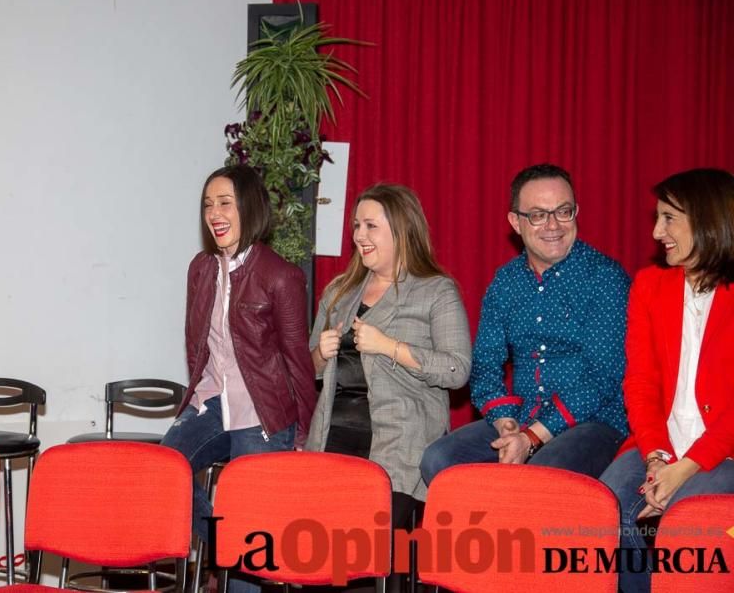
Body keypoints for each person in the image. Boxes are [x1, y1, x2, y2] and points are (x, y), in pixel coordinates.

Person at [420, 164, 630, 485]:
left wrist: (532, 437)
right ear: (515, 222)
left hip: (594, 420)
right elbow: (486, 364)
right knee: (440, 460)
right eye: (537, 215)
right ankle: (489, 533)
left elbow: (601, 379)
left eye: (563, 211)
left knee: (540, 476)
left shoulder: (605, 278)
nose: (553, 225)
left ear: (577, 212)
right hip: (524, 416)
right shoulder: (506, 281)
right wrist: (503, 420)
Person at [161, 164, 318, 546]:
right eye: (208, 205)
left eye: (225, 203)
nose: (214, 214)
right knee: (163, 471)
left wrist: (303, 434)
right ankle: (223, 547)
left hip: (262, 411)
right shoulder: (200, 269)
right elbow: (194, 344)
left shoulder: (281, 276)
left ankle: (238, 553)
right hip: (213, 402)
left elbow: (298, 361)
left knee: (248, 517)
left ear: (248, 207)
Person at [600, 168, 734, 593]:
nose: (657, 231)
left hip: (723, 451)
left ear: (706, 219)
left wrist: (685, 469)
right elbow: (640, 383)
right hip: (660, 442)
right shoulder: (650, 285)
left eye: (668, 218)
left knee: (687, 517)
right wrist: (658, 457)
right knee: (604, 507)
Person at [307, 184, 471, 524]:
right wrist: (321, 355)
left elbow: (457, 369)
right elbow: (309, 369)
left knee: (368, 550)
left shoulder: (436, 291)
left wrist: (389, 347)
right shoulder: (339, 292)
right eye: (356, 225)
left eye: (371, 226)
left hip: (398, 448)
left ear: (401, 230)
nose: (359, 235)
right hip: (332, 440)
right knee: (318, 548)